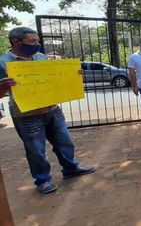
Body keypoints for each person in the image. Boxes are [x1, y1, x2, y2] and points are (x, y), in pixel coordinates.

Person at [0, 27, 95, 194]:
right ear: (16, 42)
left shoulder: (41, 57)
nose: (37, 44)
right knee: (36, 150)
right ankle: (43, 180)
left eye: (37, 41)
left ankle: (71, 168)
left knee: (65, 142)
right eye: (32, 41)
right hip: (27, 115)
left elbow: (53, 80)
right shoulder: (3, 63)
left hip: (52, 109)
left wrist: (73, 75)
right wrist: (3, 87)